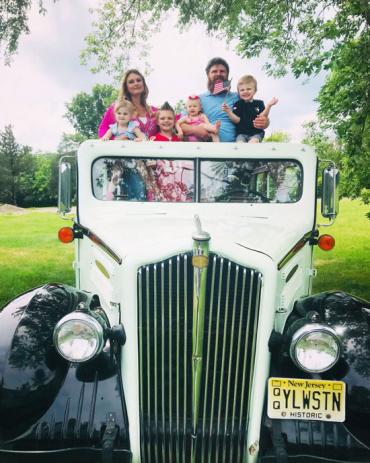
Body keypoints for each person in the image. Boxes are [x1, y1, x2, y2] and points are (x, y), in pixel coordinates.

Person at [181, 57, 269, 142]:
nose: (218, 74)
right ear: (208, 75)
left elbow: (257, 114)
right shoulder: (197, 100)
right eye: (214, 71)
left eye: (222, 71)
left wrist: (265, 122)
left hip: (236, 149)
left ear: (227, 75)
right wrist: (196, 129)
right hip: (207, 148)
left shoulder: (239, 97)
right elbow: (179, 124)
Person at [98, 69, 158, 139]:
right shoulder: (117, 107)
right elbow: (102, 130)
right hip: (121, 149)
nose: (136, 83)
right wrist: (118, 139)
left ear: (143, 84)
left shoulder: (154, 111)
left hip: (151, 149)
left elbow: (169, 126)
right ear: (126, 87)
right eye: (131, 82)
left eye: (139, 80)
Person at [222, 75, 278, 143]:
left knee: (253, 143)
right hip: (241, 134)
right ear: (239, 93)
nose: (245, 91)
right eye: (242, 90)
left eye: (248, 89)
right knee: (239, 144)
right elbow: (237, 120)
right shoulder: (238, 104)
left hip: (256, 133)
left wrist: (269, 106)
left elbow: (262, 116)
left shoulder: (259, 103)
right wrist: (228, 111)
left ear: (255, 91)